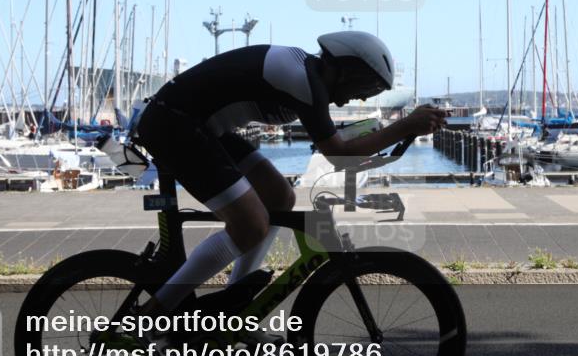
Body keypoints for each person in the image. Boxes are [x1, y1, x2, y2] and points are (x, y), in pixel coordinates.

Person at [132, 31, 446, 318]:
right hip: (173, 125)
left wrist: (397, 131)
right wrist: (405, 126)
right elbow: (338, 155)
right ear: (347, 71)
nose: (362, 98)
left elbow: (337, 144)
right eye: (365, 88)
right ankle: (152, 315)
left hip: (201, 126)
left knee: (279, 197)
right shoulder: (303, 80)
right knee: (251, 224)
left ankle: (233, 309)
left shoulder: (310, 79)